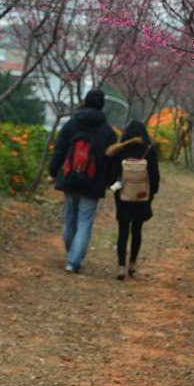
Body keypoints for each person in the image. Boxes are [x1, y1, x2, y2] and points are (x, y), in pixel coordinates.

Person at [49, 89, 117, 273]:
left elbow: (59, 149)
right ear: (102, 106)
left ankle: (72, 254)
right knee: (85, 222)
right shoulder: (108, 131)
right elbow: (111, 160)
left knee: (69, 219)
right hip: (92, 184)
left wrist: (52, 171)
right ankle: (74, 261)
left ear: (85, 102)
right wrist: (111, 181)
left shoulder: (72, 124)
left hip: (70, 179)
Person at [107, 119, 160, 280]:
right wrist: (151, 194)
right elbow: (154, 176)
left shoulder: (121, 149)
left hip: (123, 196)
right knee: (137, 231)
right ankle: (132, 264)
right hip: (142, 197)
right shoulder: (149, 150)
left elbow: (112, 176)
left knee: (123, 230)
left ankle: (121, 267)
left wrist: (115, 189)